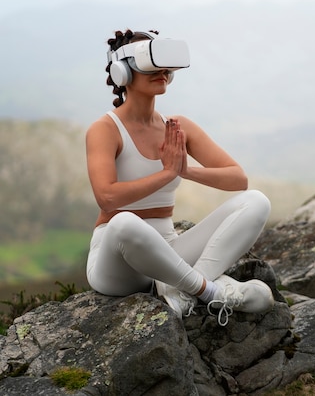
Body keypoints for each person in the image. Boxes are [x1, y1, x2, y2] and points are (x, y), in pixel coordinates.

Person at [85, 29, 274, 326]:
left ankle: (181, 293)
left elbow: (238, 180)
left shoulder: (178, 127)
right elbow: (107, 197)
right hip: (118, 261)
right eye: (147, 61)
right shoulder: (105, 129)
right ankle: (208, 290)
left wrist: (186, 171)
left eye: (163, 62)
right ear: (122, 71)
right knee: (123, 223)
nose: (161, 70)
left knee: (256, 202)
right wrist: (167, 174)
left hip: (169, 252)